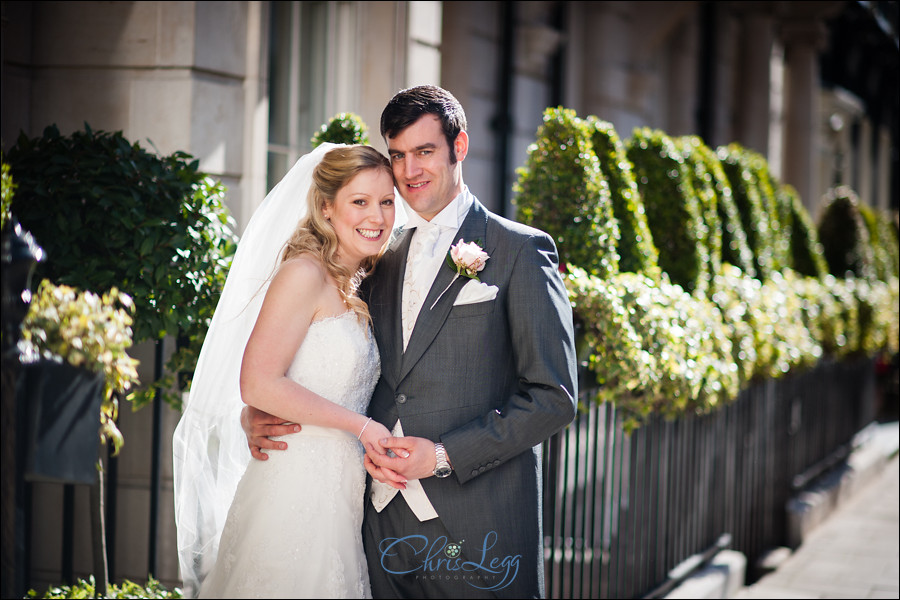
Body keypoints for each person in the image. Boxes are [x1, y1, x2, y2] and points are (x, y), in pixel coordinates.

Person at [243, 85, 578, 598]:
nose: (410, 170)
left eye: (425, 152)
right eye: (398, 155)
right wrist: (260, 411)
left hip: (478, 527)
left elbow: (554, 398)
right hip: (372, 522)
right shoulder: (376, 255)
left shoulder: (520, 251)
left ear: (459, 147)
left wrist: (443, 455)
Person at [173, 143, 401, 598]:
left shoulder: (362, 278)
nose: (377, 216)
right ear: (325, 207)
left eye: (387, 201)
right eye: (359, 201)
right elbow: (257, 381)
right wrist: (362, 426)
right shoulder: (304, 273)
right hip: (292, 489)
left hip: (340, 497)